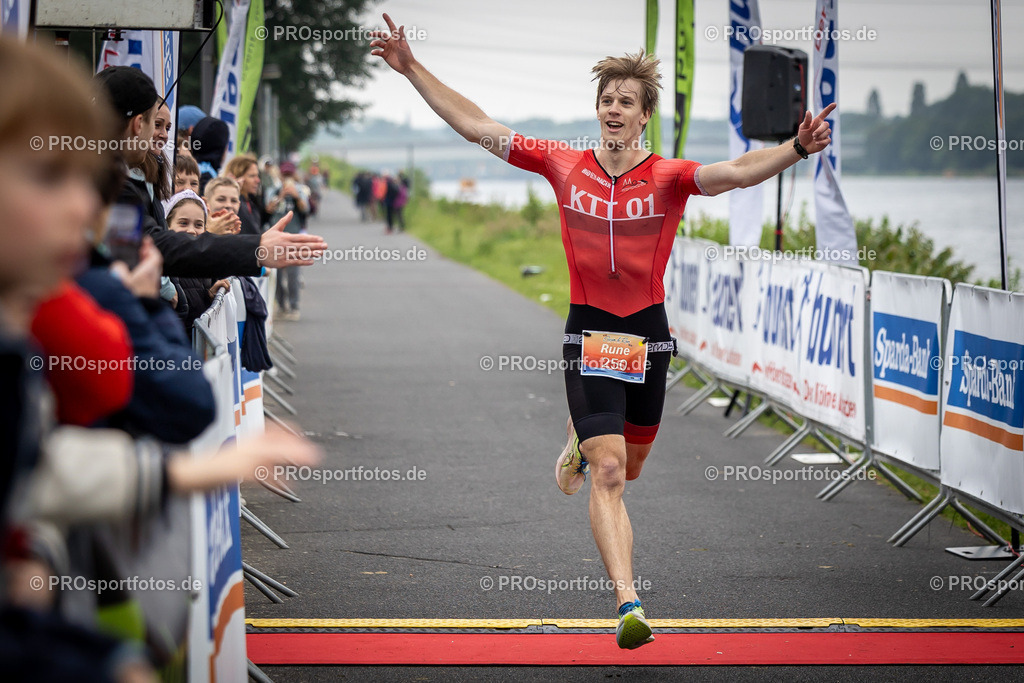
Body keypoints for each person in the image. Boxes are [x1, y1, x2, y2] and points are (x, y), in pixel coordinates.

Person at [371, 13, 837, 650]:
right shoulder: (563, 164)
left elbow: (734, 173)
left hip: (647, 334)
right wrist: (411, 68)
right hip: (588, 332)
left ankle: (577, 443)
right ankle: (628, 603)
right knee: (609, 472)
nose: (614, 109)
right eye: (607, 100)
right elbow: (479, 126)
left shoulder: (669, 178)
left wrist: (797, 149)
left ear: (645, 115)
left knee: (633, 466)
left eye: (627, 101)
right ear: (597, 109)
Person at [93, 66, 328, 278]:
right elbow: (157, 246)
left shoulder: (97, 173)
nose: (162, 136)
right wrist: (255, 248)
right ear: (138, 124)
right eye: (155, 123)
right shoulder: (109, 182)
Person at [267, 162, 310, 321]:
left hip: (294, 237)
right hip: (276, 238)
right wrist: (281, 196)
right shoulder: (274, 190)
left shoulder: (300, 190)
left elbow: (305, 209)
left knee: (293, 274)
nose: (287, 179)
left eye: (289, 176)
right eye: (284, 176)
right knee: (277, 275)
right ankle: (281, 305)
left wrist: (297, 196)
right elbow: (268, 208)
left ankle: (294, 306)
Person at [225, 154, 266, 235]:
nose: (257, 180)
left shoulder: (250, 202)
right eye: (252, 176)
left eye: (257, 175)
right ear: (237, 177)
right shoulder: (233, 206)